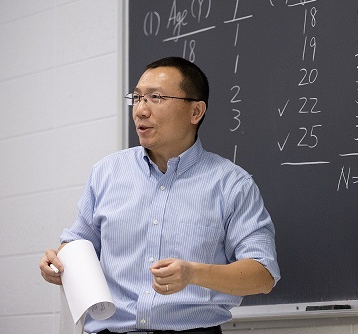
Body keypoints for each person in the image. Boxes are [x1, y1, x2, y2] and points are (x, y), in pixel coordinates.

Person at [39, 56, 280, 334]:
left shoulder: (231, 183)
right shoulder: (106, 173)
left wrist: (193, 274)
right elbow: (79, 245)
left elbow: (263, 275)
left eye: (155, 98)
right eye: (138, 98)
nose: (141, 110)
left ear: (196, 112)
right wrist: (58, 260)